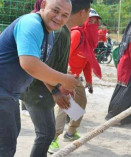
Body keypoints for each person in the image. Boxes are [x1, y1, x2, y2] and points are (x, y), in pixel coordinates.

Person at [0, 0, 79, 156]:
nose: (59, 17)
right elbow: (30, 64)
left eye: (65, 15)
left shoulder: (48, 32)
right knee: (7, 146)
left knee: (12, 136)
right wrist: (64, 79)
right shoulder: (32, 24)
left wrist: (57, 89)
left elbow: (40, 67)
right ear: (43, 5)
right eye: (55, 11)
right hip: (8, 93)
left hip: (10, 95)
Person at [19, 0, 92, 157]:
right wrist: (56, 91)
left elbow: (53, 66)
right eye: (89, 12)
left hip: (45, 90)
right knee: (45, 134)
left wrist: (63, 87)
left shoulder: (64, 32)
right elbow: (40, 67)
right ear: (82, 12)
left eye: (64, 14)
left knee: (48, 132)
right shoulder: (60, 33)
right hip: (37, 92)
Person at [48, 8, 102, 153]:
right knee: (64, 104)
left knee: (81, 101)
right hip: (65, 74)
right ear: (84, 20)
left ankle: (71, 132)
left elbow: (88, 62)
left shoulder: (90, 40)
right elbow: (65, 53)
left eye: (96, 21)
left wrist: (89, 81)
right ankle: (52, 139)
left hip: (76, 78)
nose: (93, 23)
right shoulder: (77, 34)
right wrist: (65, 73)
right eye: (90, 20)